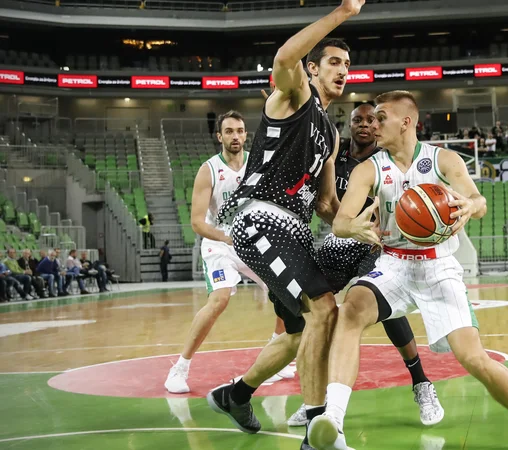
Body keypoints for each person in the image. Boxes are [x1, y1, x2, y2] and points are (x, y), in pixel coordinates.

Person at [307, 90, 508, 450]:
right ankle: (333, 419)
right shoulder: (370, 168)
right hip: (393, 263)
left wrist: (468, 207)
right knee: (350, 309)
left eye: (382, 118)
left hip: (438, 266)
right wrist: (356, 228)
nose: (374, 124)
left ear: (406, 122)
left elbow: (478, 199)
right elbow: (341, 222)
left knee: (475, 359)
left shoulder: (442, 160)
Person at [207, 3, 363, 448]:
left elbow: (328, 205)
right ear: (312, 69)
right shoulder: (295, 94)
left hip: (294, 230)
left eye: (348, 65)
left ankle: (235, 395)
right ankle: (318, 432)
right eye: (334, 62)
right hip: (258, 218)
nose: (343, 70)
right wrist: (342, 13)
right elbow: (282, 58)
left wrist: (367, 223)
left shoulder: (331, 135)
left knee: (302, 332)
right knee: (322, 309)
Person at [286, 102, 444, 428]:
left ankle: (421, 382)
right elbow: (324, 204)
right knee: (308, 307)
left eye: (371, 120)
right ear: (351, 125)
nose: (363, 125)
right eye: (357, 119)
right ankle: (317, 400)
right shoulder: (334, 157)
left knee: (383, 306)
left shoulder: (384, 161)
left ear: (378, 126)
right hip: (339, 241)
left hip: (377, 243)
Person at [165, 111, 295, 394]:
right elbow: (197, 222)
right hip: (220, 242)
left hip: (254, 241)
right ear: (219, 136)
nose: (235, 136)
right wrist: (229, 237)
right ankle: (180, 368)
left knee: (286, 293)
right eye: (229, 131)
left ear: (245, 134)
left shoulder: (257, 164)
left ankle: (277, 356)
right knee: (219, 300)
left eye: (239, 130)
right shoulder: (208, 170)